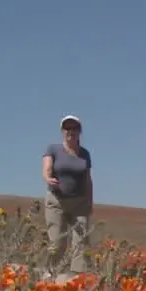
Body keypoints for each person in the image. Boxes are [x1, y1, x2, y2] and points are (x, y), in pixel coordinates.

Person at [41, 115, 94, 279]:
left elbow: (88, 179)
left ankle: (77, 277)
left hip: (79, 203)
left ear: (80, 132)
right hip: (57, 201)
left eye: (74, 128)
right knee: (58, 241)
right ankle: (50, 273)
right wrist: (47, 177)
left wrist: (89, 201)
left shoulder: (85, 154)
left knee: (81, 240)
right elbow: (47, 168)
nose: (70, 132)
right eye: (67, 128)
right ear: (62, 131)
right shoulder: (53, 149)